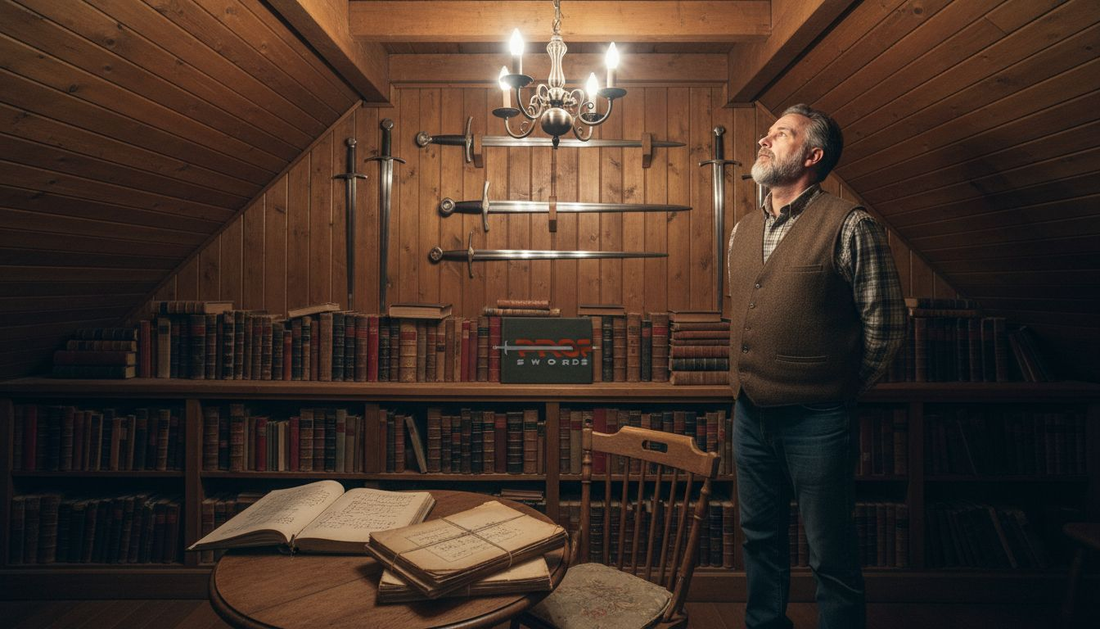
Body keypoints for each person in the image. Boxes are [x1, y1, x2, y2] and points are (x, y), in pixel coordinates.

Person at [727, 103, 906, 629]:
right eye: (767, 132)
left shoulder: (851, 225)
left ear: (813, 155)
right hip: (749, 416)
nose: (765, 140)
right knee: (759, 541)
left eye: (780, 134)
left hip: (819, 421)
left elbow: (888, 327)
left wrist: (839, 387)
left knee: (831, 551)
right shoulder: (741, 230)